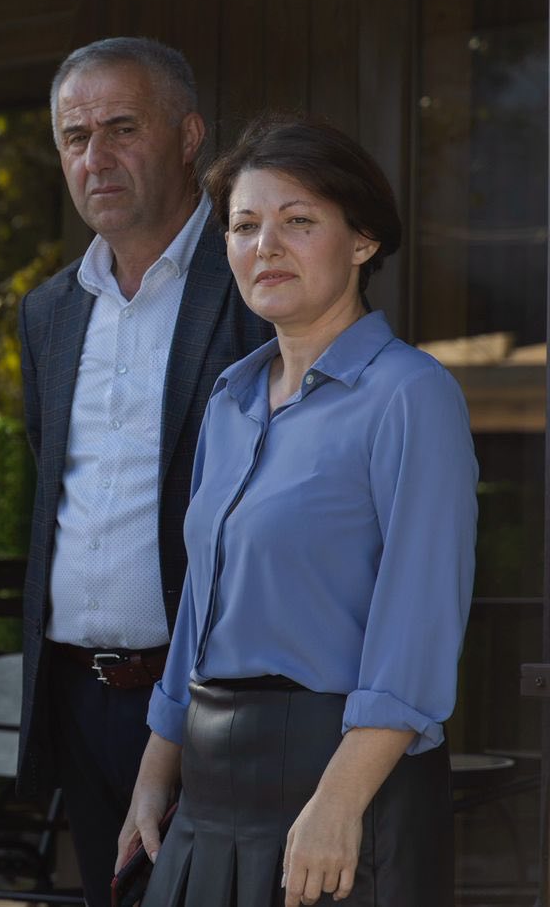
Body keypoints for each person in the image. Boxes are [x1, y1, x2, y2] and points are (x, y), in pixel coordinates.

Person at [121, 114, 476, 907]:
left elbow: (419, 624)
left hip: (346, 780)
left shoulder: (411, 395)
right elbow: (200, 605)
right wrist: (154, 771)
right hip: (209, 785)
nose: (266, 247)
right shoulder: (230, 400)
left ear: (363, 241)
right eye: (244, 225)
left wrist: (340, 801)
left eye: (299, 221)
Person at [15, 37, 272, 905]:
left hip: (220, 697)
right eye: (75, 136)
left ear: (189, 136)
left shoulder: (256, 284)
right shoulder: (48, 311)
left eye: (122, 128)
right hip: (79, 694)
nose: (96, 157)